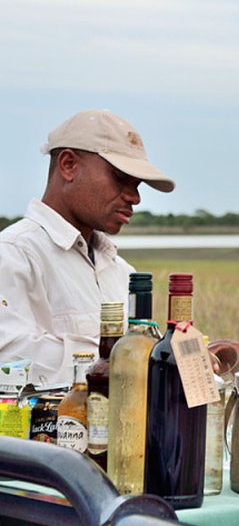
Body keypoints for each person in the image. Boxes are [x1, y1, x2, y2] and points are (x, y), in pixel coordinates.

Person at [0, 110, 174, 386]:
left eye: (137, 184)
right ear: (68, 165)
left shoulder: (119, 270)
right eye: (120, 177)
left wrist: (192, 361)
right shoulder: (13, 254)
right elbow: (10, 363)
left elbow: (141, 364)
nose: (135, 197)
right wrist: (131, 360)